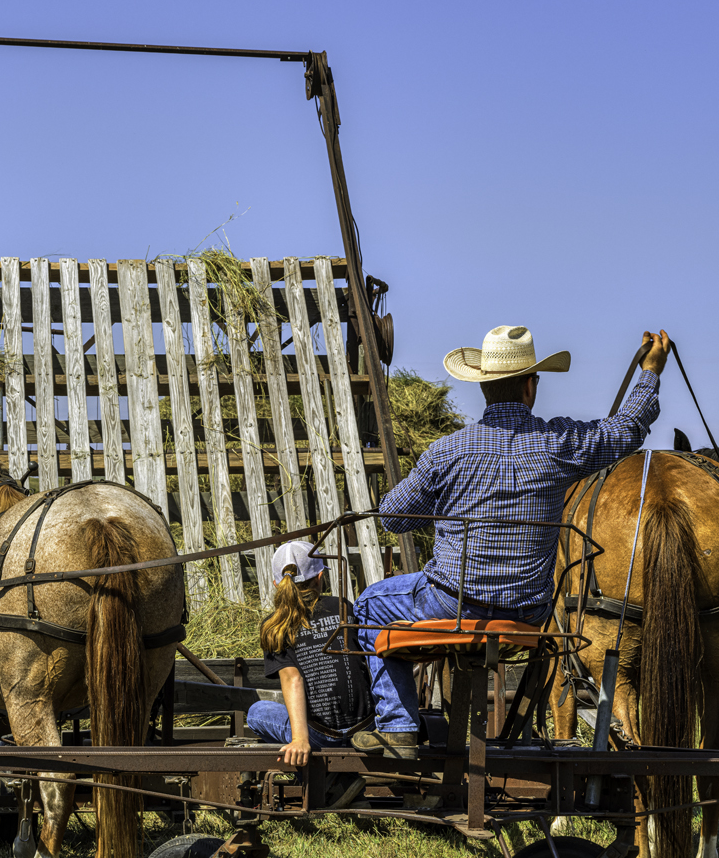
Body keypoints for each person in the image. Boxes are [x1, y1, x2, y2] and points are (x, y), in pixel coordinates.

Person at [349, 324, 670, 758]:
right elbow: (626, 429)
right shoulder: (559, 443)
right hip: (529, 608)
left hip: (452, 603)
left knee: (370, 604)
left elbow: (392, 516)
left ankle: (398, 725)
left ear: (482, 387)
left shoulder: (447, 451)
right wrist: (650, 371)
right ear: (530, 385)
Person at [243, 539, 368, 808]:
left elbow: (293, 679)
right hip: (365, 728)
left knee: (257, 712)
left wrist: (300, 740)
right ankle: (339, 779)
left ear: (277, 584)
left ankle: (332, 780)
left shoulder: (274, 626)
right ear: (320, 577)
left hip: (321, 736)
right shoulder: (343, 606)